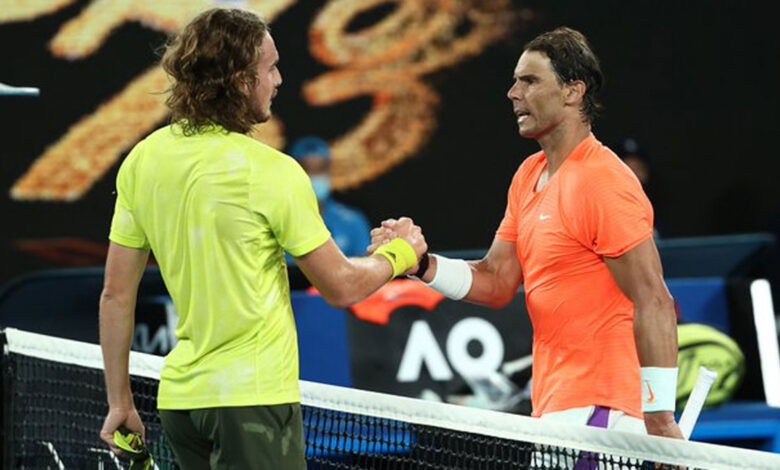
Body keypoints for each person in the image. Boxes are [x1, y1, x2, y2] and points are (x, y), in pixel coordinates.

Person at [98, 8, 426, 469]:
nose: (279, 79)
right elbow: (341, 286)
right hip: (251, 405)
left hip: (181, 407)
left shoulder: (142, 160)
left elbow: (115, 295)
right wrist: (401, 253)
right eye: (270, 68)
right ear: (239, 81)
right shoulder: (271, 172)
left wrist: (120, 402)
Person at [370, 27, 682, 439]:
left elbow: (654, 299)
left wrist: (659, 417)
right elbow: (497, 281)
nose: (513, 93)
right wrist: (422, 265)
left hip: (603, 412)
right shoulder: (528, 175)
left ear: (572, 91)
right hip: (556, 407)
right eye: (516, 81)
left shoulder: (604, 181)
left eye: (530, 81)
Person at [287, 136, 371, 258]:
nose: (313, 177)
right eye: (306, 170)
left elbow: (364, 264)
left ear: (329, 171)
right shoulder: (279, 220)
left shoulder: (353, 222)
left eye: (320, 169)